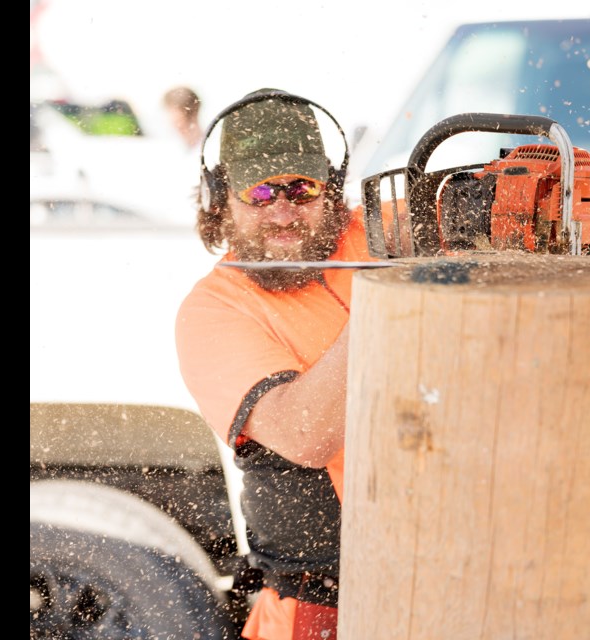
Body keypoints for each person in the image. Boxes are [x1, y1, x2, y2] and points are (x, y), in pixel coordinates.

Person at [175, 88, 373, 640]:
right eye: (259, 192)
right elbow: (303, 433)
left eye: (300, 189)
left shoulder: (382, 233)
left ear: (331, 191)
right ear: (221, 200)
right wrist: (391, 302)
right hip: (323, 604)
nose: (282, 212)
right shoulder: (214, 309)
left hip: (451, 561)